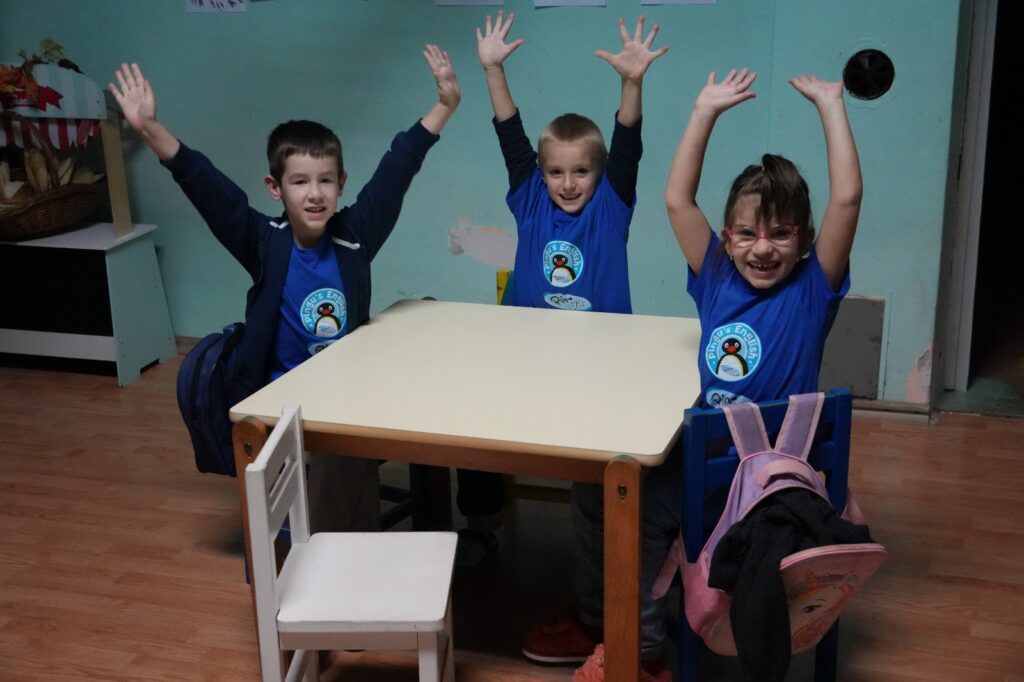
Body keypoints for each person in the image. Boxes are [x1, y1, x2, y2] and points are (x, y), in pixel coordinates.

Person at [109, 46, 461, 533]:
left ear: (341, 183)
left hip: (345, 394)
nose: (314, 194)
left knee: (354, 442)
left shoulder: (355, 236)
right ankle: (325, 550)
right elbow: (206, 186)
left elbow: (398, 167)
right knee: (337, 456)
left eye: (325, 181)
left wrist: (444, 105)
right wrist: (150, 128)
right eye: (299, 182)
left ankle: (355, 545)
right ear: (275, 188)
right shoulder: (264, 242)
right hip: (281, 400)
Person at [471, 11, 673, 678]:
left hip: (602, 379)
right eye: (556, 171)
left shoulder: (612, 206)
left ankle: (612, 614)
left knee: (598, 491)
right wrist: (493, 71)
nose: (567, 183)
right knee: (474, 429)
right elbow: (509, 136)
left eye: (581, 171)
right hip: (531, 372)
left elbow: (629, 144)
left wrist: (632, 84)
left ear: (598, 173)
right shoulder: (529, 201)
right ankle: (481, 530)